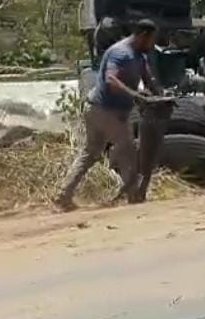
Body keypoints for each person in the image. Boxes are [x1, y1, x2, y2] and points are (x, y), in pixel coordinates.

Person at [55, 19, 162, 211]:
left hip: (99, 108)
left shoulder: (139, 55)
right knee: (128, 151)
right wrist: (135, 95)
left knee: (90, 153)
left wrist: (160, 95)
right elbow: (111, 80)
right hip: (106, 110)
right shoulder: (121, 53)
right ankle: (134, 197)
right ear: (143, 36)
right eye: (151, 40)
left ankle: (63, 194)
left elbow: (148, 78)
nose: (152, 44)